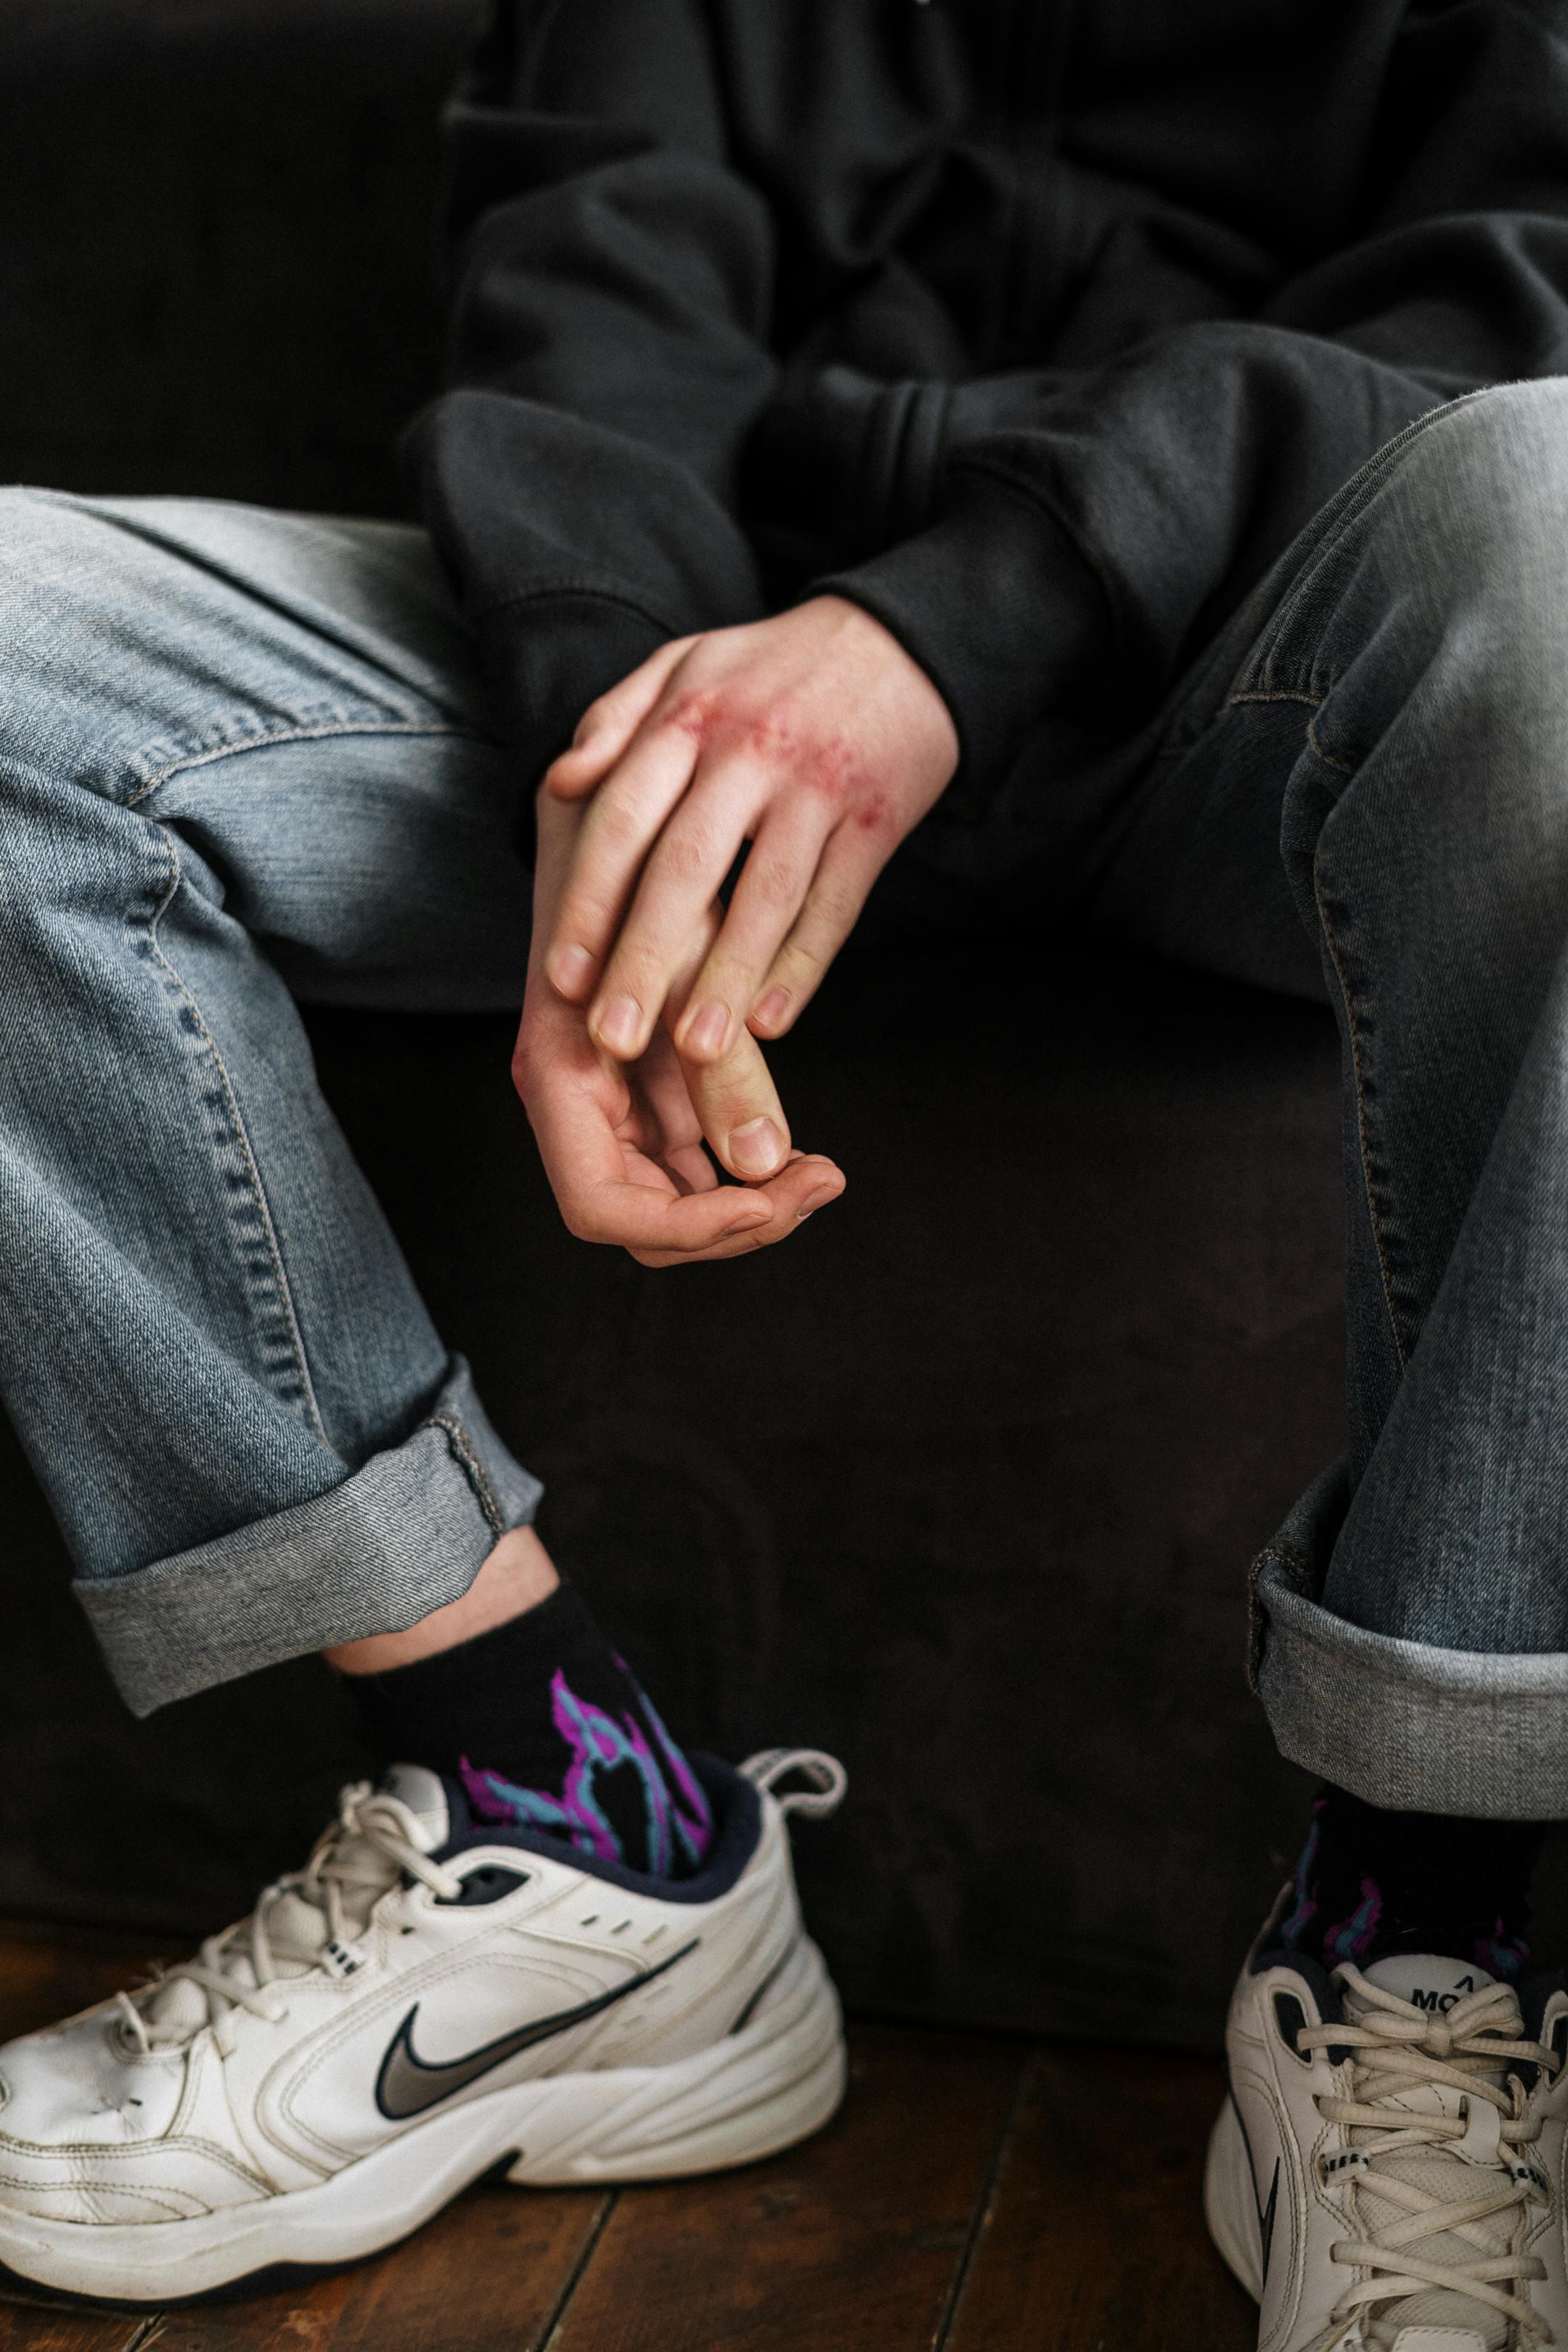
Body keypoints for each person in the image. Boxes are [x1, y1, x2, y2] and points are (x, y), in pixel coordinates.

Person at [1, 0, 1567, 2337]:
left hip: (1286, 651)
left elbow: (1514, 284)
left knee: (1558, 504)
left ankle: (1430, 1942)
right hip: (675, 649)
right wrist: (650, 796)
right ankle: (554, 1796)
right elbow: (587, 294)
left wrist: (951, 628)